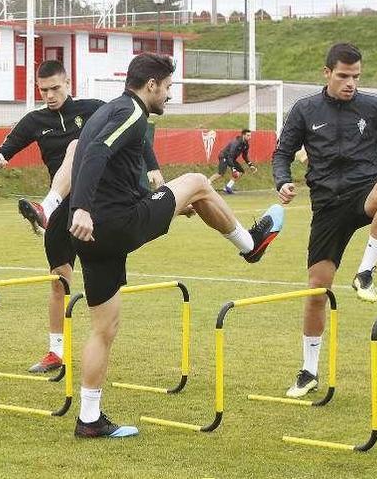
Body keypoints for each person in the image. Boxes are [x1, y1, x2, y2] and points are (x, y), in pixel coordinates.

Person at [68, 53, 284, 438]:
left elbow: (109, 168)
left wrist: (163, 204)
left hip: (93, 237)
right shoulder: (132, 114)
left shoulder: (108, 111)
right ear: (151, 85)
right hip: (112, 223)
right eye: (167, 87)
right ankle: (250, 244)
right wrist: (82, 206)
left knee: (104, 328)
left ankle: (88, 419)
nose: (169, 95)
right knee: (199, 181)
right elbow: (97, 154)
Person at [0, 60, 163, 374]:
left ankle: (102, 336)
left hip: (99, 204)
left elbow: (136, 133)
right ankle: (56, 352)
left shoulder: (95, 108)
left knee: (77, 145)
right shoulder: (34, 121)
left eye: (55, 88)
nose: (50, 95)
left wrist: (152, 168)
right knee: (59, 282)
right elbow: (9, 145)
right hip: (64, 212)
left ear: (68, 83)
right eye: (44, 90)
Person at [272, 42, 377, 398]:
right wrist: (282, 180)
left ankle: (366, 272)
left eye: (355, 76)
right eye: (343, 76)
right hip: (326, 206)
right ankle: (308, 371)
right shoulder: (305, 109)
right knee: (316, 291)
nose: (350, 82)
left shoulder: (375, 107)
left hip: (365, 192)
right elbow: (281, 152)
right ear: (327, 73)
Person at [208, 128, 256, 194]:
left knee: (241, 171)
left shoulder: (246, 144)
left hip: (231, 158)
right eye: (248, 135)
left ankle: (228, 187)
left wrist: (250, 165)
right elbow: (229, 156)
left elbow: (244, 156)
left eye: (250, 135)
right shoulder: (236, 143)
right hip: (224, 156)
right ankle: (207, 183)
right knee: (220, 173)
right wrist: (233, 169)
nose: (250, 137)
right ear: (243, 135)